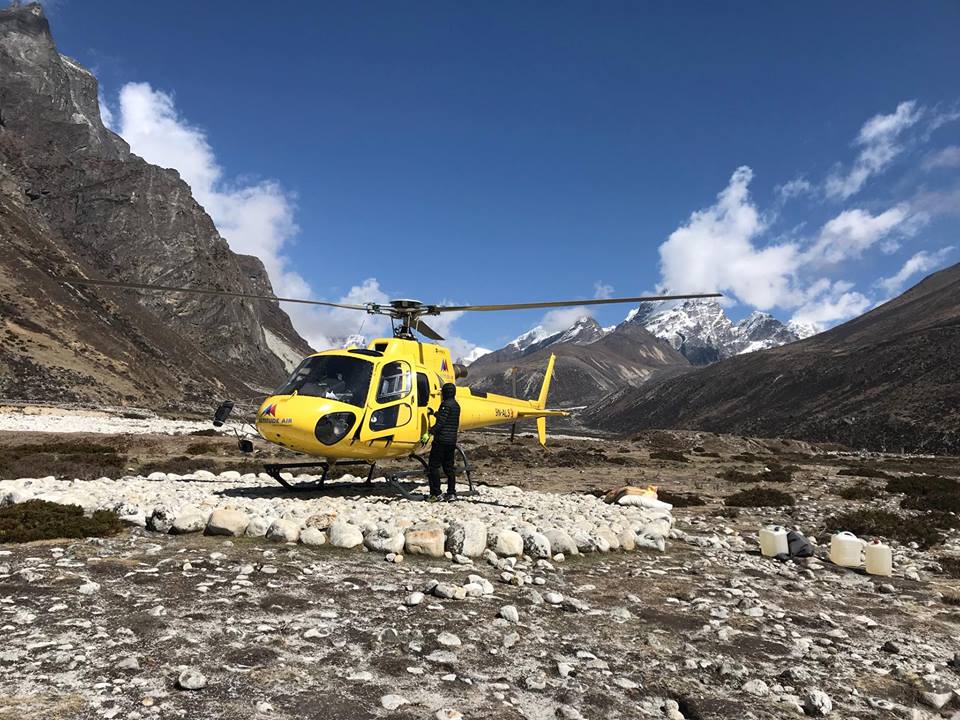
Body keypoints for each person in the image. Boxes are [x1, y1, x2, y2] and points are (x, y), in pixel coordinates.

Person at [426, 382, 461, 502]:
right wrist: (435, 414)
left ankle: (436, 494)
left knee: (433, 467)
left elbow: (441, 423)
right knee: (449, 468)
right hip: (451, 441)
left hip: (441, 441)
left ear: (445, 393)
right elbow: (446, 418)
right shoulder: (456, 405)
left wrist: (430, 432)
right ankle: (451, 493)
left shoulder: (445, 404)